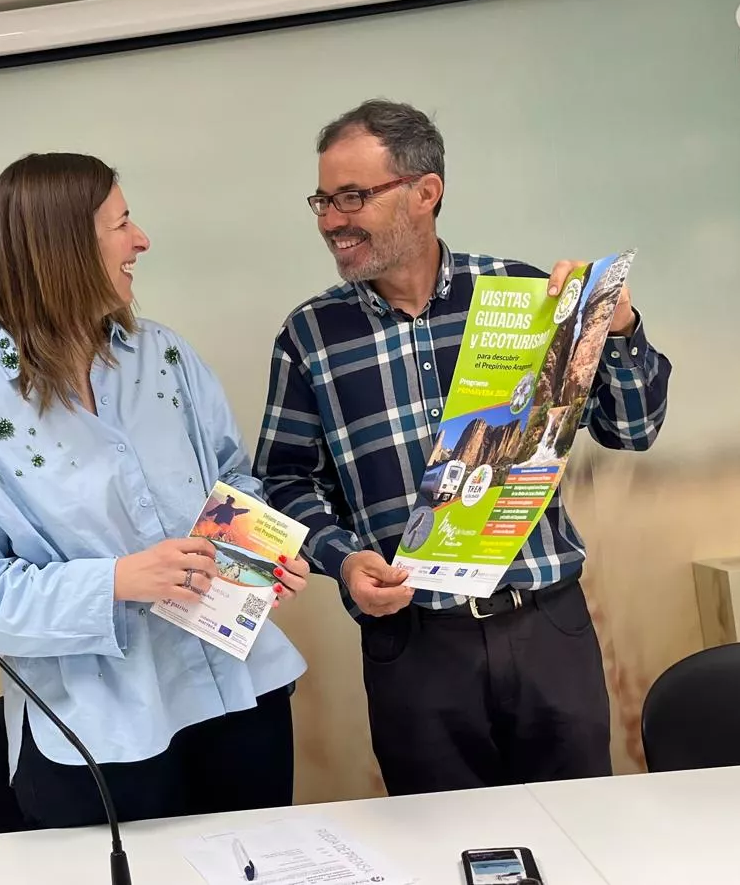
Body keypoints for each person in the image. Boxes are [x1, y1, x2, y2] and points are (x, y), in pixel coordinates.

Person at [252, 100, 673, 796]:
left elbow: (632, 428)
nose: (331, 219)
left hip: (547, 628)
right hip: (414, 647)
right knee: (443, 849)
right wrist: (345, 560)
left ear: (426, 192)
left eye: (353, 196)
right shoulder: (310, 337)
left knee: (581, 834)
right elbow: (285, 484)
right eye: (322, 200)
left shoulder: (522, 294)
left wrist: (618, 326)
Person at [0, 152, 312, 829]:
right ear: (62, 249)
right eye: (122, 223)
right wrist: (118, 581)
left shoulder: (167, 358)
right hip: (102, 741)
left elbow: (233, 477)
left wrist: (260, 552)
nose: (142, 240)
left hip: (239, 700)